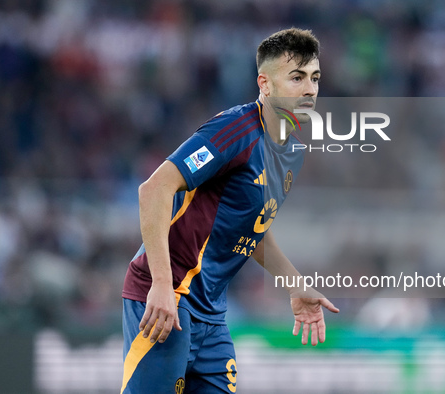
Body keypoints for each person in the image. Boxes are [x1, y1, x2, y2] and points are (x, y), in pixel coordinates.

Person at [120, 27, 339, 394]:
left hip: (211, 314)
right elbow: (154, 190)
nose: (310, 89)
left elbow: (248, 230)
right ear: (265, 85)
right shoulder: (236, 129)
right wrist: (160, 284)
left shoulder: (292, 153)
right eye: (297, 77)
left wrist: (294, 283)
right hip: (166, 298)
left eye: (315, 78)